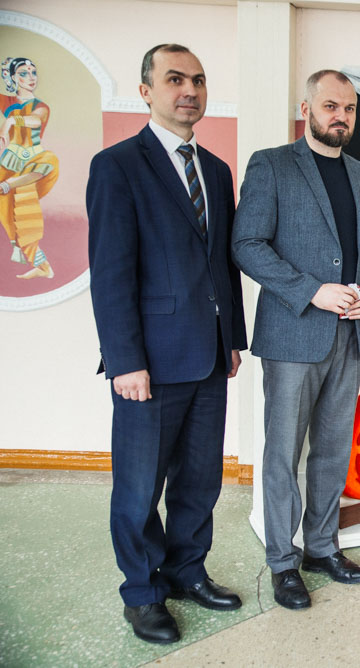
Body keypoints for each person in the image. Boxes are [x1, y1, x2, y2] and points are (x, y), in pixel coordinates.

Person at [87, 44, 248, 644]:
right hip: (148, 363)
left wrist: (232, 339)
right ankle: (142, 593)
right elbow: (111, 274)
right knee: (138, 490)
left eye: (198, 80)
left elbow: (222, 266)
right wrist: (124, 360)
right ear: (146, 91)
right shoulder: (117, 165)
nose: (189, 90)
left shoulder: (217, 171)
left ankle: (187, 572)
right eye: (175, 79)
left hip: (208, 357)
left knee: (200, 481)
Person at [232, 70, 360, 611]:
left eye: (348, 108)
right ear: (306, 109)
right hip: (291, 335)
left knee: (331, 450)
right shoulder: (272, 165)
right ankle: (283, 561)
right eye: (330, 106)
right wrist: (312, 291)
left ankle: (323, 547)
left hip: (350, 335)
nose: (340, 116)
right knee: (283, 453)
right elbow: (247, 244)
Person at [1, 56, 59, 279]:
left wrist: (11, 122)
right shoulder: (8, 102)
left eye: (33, 72)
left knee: (49, 162)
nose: (31, 77)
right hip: (8, 163)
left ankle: (9, 184)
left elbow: (36, 120)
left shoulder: (40, 106)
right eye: (24, 73)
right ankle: (43, 266)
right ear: (13, 77)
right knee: (13, 216)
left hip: (32, 161)